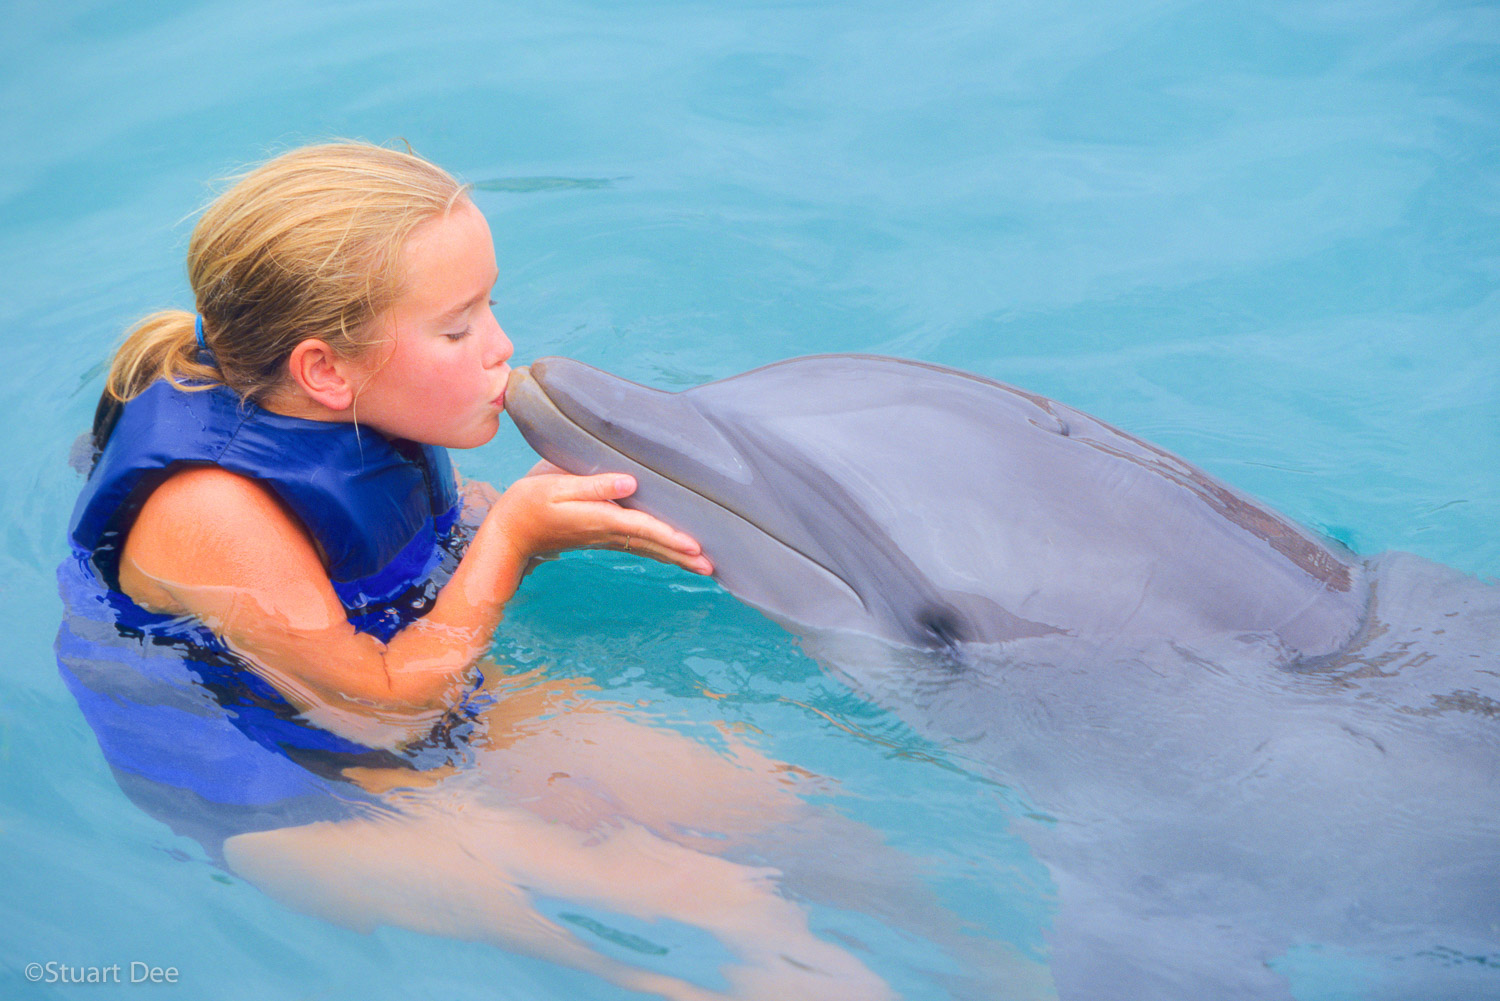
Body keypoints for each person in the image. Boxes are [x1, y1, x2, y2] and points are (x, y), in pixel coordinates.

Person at [59, 141, 902, 1000]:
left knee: (777, 805)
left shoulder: (351, 396)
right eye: (458, 329)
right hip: (279, 787)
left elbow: (399, 534)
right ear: (324, 369)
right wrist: (513, 542)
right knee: (707, 907)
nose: (501, 346)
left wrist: (518, 513)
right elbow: (374, 715)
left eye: (491, 307)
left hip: (424, 692)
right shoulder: (210, 511)